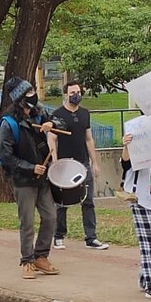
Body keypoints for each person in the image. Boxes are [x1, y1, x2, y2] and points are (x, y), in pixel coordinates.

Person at [0, 77, 60, 279]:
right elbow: (6, 156)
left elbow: (60, 120)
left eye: (33, 91)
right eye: (29, 93)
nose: (33, 95)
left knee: (50, 217)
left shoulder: (40, 113)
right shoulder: (9, 123)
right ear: (20, 99)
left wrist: (52, 123)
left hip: (43, 179)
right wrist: (31, 167)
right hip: (23, 179)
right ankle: (27, 260)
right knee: (28, 222)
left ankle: (41, 256)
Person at [49, 81, 108, 250]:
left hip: (82, 163)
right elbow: (52, 138)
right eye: (73, 91)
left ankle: (91, 237)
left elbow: (88, 139)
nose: (76, 94)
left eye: (79, 91)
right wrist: (55, 160)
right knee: (62, 202)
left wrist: (94, 163)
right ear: (66, 94)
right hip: (64, 164)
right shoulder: (57, 114)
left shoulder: (84, 114)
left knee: (88, 201)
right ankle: (59, 235)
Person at [120, 127, 151, 301]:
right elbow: (125, 164)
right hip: (139, 195)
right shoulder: (139, 130)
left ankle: (145, 275)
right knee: (149, 241)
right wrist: (126, 146)